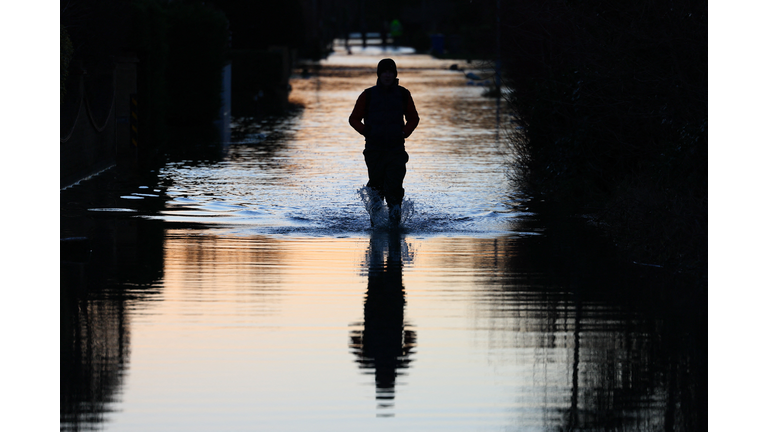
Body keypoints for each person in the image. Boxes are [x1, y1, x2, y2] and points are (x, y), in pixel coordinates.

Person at [349, 58, 420, 225]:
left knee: (395, 189)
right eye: (384, 72)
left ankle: (395, 227)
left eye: (390, 72)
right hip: (374, 151)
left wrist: (404, 132)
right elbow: (353, 119)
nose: (387, 75)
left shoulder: (403, 94)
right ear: (379, 74)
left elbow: (414, 119)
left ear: (394, 74)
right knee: (376, 188)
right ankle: (375, 225)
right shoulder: (368, 94)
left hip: (396, 150)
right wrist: (367, 132)